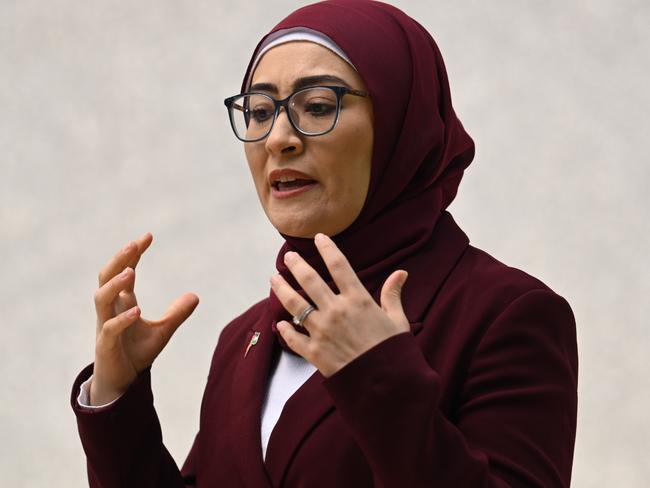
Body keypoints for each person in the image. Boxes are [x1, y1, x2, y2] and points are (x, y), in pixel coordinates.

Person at [71, 1, 578, 486]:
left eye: (317, 106)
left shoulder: (505, 315)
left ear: (404, 124)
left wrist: (379, 379)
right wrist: (118, 397)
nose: (278, 139)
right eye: (260, 110)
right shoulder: (243, 339)